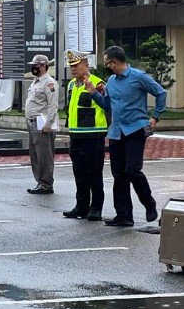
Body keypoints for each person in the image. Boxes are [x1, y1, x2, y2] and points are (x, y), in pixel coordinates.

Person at [84, 45, 166, 226]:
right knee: (119, 174)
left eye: (107, 63)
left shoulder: (139, 77)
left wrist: (155, 117)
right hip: (116, 132)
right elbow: (107, 105)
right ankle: (124, 216)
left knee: (132, 170)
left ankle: (149, 203)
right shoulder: (111, 81)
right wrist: (93, 92)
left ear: (115, 62)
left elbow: (161, 93)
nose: (106, 66)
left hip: (135, 130)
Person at [63, 51, 108, 221]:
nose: (73, 69)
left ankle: (96, 208)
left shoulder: (97, 83)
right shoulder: (71, 85)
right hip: (76, 135)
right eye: (71, 66)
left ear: (86, 65)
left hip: (93, 135)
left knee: (94, 174)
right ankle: (81, 206)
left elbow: (106, 106)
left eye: (76, 65)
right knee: (79, 174)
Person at [25, 54, 58, 195]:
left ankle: (46, 184)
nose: (34, 68)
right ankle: (40, 182)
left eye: (36, 66)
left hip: (42, 123)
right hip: (33, 122)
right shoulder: (36, 82)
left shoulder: (49, 83)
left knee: (44, 155)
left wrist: (48, 124)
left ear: (44, 66)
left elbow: (53, 105)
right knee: (35, 154)